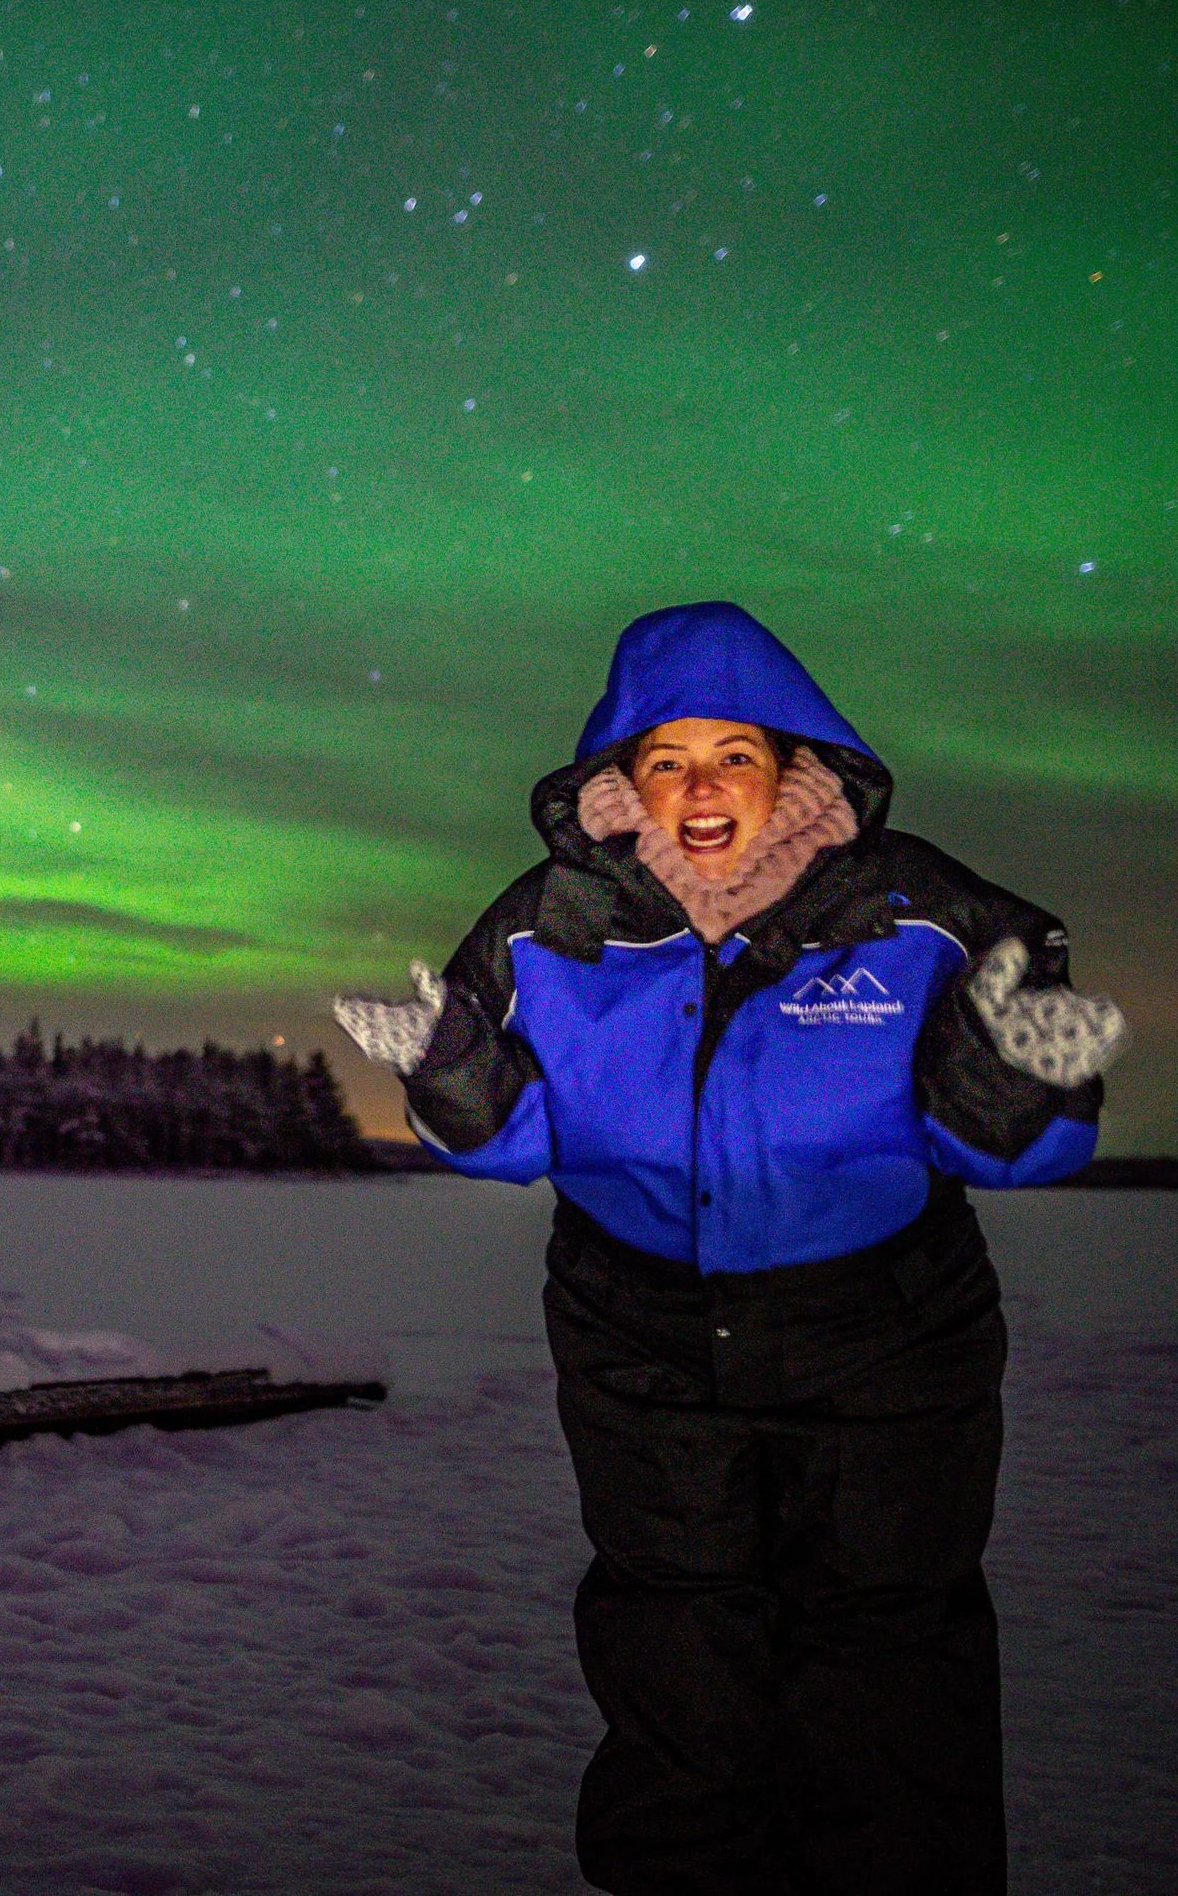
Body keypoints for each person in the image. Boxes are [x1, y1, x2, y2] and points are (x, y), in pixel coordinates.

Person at [334, 601, 1125, 1896]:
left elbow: (1006, 1139)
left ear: (793, 764)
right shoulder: (553, 921)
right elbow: (512, 1132)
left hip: (881, 1336)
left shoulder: (915, 906)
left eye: (733, 756)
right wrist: (448, 1067)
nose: (700, 788)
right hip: (638, 1332)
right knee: (676, 1656)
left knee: (882, 1666)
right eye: (667, 760)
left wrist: (1005, 1074)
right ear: (622, 778)